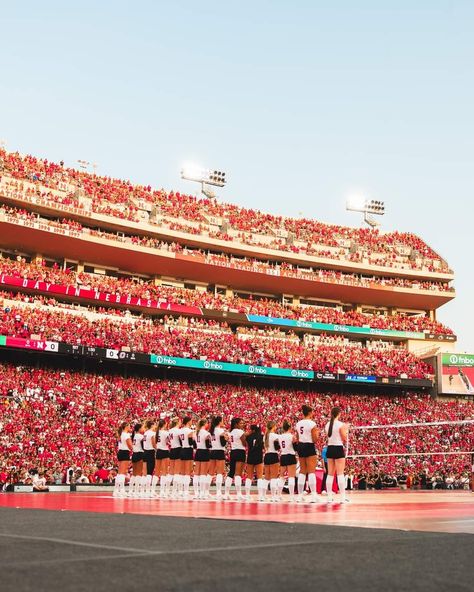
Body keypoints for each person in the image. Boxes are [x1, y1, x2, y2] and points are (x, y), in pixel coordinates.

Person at [324, 407, 349, 503]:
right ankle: (342, 498)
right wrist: (346, 429)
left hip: (330, 448)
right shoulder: (341, 425)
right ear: (339, 414)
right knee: (340, 474)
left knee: (330, 474)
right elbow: (344, 438)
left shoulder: (327, 425)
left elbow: (329, 436)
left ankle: (329, 497)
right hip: (338, 448)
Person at [295, 404, 319, 502]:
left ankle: (300, 495)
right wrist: (317, 434)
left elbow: (297, 438)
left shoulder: (298, 423)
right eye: (312, 412)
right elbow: (314, 439)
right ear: (309, 412)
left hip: (300, 446)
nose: (313, 413)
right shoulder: (312, 424)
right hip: (309, 445)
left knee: (302, 471)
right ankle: (314, 495)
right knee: (311, 471)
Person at [224, 417, 246, 500]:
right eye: (241, 423)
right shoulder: (240, 431)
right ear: (236, 424)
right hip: (240, 452)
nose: (242, 424)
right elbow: (244, 443)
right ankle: (239, 494)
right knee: (238, 474)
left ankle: (226, 493)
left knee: (231, 473)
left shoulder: (231, 432)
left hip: (233, 451)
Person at [208, 415, 227, 499]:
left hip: (212, 451)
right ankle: (218, 492)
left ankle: (206, 491)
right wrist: (225, 438)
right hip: (219, 451)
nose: (223, 422)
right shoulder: (221, 431)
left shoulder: (211, 431)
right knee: (219, 472)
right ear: (219, 422)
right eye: (222, 420)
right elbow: (223, 443)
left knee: (210, 472)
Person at [279, 420, 297, 501]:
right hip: (290, 455)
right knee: (291, 477)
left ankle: (278, 495)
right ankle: (291, 496)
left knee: (282, 476)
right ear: (290, 427)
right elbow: (296, 448)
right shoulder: (292, 436)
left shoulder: (280, 436)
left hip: (283, 456)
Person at [113, 422, 132, 497]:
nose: (130, 427)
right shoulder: (126, 435)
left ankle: (116, 490)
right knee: (123, 473)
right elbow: (129, 445)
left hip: (120, 452)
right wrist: (134, 449)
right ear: (126, 426)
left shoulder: (121, 434)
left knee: (120, 473)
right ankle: (122, 490)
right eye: (129, 426)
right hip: (125, 452)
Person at [245, 424, 264, 500]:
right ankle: (260, 495)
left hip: (250, 456)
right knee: (259, 477)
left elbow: (246, 445)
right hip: (258, 456)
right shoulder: (261, 436)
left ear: (252, 430)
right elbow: (263, 447)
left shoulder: (248, 437)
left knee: (249, 477)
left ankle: (247, 495)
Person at [263, 421, 281, 502]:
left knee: (266, 477)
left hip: (267, 455)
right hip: (273, 455)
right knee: (274, 477)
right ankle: (273, 496)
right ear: (273, 426)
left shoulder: (265, 436)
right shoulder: (275, 435)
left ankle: (262, 495)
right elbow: (278, 447)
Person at [194, 418, 211, 499]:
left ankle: (196, 493)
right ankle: (202, 493)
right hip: (204, 452)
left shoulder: (196, 432)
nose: (208, 424)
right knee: (203, 473)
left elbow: (194, 445)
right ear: (205, 424)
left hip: (198, 452)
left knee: (197, 473)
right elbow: (208, 445)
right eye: (207, 423)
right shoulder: (206, 433)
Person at [178, 416, 194, 499]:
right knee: (188, 471)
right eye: (191, 421)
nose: (192, 422)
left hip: (182, 449)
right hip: (188, 450)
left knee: (182, 471)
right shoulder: (190, 431)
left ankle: (180, 490)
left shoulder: (180, 431)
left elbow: (180, 442)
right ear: (188, 422)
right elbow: (191, 443)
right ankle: (186, 491)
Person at [154, 419, 171, 498]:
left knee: (157, 472)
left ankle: (152, 490)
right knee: (164, 472)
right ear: (164, 424)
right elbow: (169, 441)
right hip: (164, 451)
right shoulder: (165, 432)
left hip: (158, 451)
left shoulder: (156, 433)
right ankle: (162, 491)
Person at [130, 423, 145, 497]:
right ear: (139, 429)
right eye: (142, 427)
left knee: (134, 473)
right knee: (139, 473)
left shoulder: (134, 436)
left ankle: (131, 489)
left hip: (134, 454)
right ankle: (136, 491)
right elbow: (144, 445)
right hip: (140, 454)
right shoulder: (141, 436)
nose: (143, 429)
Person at [168, 418, 182, 498]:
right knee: (177, 471)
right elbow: (182, 441)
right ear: (177, 422)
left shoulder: (170, 430)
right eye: (180, 422)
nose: (180, 423)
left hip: (172, 449)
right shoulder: (178, 430)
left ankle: (167, 489)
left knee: (171, 471)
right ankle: (175, 490)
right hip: (178, 449)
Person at [143, 419, 157, 497]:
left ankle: (144, 490)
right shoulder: (152, 433)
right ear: (152, 425)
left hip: (145, 452)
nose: (155, 426)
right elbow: (153, 443)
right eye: (154, 425)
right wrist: (157, 449)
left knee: (145, 472)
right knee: (149, 472)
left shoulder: (145, 433)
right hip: (150, 452)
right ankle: (148, 491)